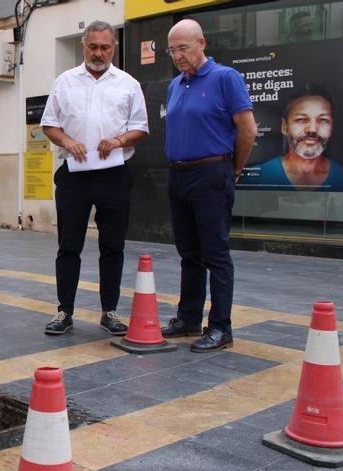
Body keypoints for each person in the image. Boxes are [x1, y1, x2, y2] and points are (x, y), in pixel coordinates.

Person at [39, 20, 149, 337]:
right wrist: (67, 142)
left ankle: (109, 312)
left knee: (112, 246)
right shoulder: (64, 82)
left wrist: (118, 141)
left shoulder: (128, 84)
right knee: (68, 245)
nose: (98, 53)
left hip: (115, 174)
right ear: (83, 46)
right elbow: (49, 124)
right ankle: (64, 312)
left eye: (104, 47)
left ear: (113, 47)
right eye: (93, 47)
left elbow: (141, 127)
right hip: (74, 175)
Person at [161, 19, 257, 352]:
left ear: (202, 43)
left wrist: (234, 169)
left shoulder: (225, 78)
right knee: (188, 253)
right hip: (179, 174)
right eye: (172, 50)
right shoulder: (175, 85)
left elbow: (248, 130)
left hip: (211, 173)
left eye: (183, 48)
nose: (177, 56)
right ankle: (188, 318)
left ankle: (220, 326)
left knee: (215, 253)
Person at [242, 89, 343, 192]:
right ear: (284, 127)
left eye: (323, 120)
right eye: (301, 119)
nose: (312, 130)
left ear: (332, 128)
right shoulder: (256, 179)